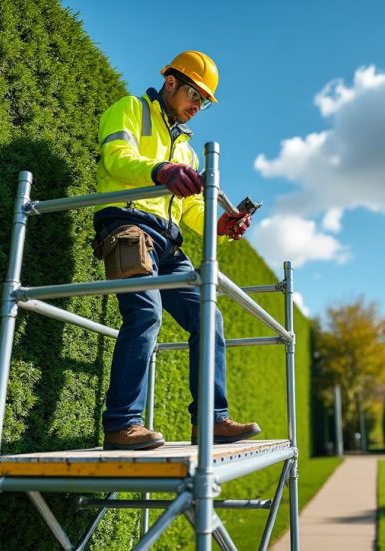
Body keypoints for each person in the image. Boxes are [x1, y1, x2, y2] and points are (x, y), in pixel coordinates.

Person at [92, 50, 259, 450]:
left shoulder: (184, 148)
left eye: (203, 102)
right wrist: (159, 172)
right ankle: (121, 424)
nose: (198, 107)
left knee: (209, 316)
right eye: (195, 96)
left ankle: (211, 420)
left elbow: (190, 209)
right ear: (171, 83)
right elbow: (117, 159)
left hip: (167, 242)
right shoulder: (129, 109)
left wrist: (221, 226)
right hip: (127, 224)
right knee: (145, 312)